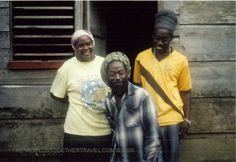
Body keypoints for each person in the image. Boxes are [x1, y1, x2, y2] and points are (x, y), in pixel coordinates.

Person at [133, 10, 192, 162]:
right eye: (157, 38)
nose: (160, 43)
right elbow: (137, 89)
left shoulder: (181, 60)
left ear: (171, 39)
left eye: (164, 39)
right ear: (153, 37)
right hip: (148, 119)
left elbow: (185, 91)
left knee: (171, 158)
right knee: (149, 158)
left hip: (172, 119)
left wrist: (186, 118)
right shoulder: (141, 58)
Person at [50, 29, 112, 162]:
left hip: (103, 128)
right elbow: (55, 93)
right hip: (76, 130)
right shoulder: (67, 67)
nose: (86, 48)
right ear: (74, 47)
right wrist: (76, 102)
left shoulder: (105, 63)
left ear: (93, 43)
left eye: (88, 43)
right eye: (81, 45)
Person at [100, 51, 161, 162]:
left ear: (127, 73)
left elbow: (153, 135)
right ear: (106, 76)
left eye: (121, 73)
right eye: (112, 74)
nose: (117, 77)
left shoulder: (142, 96)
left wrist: (150, 159)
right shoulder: (108, 101)